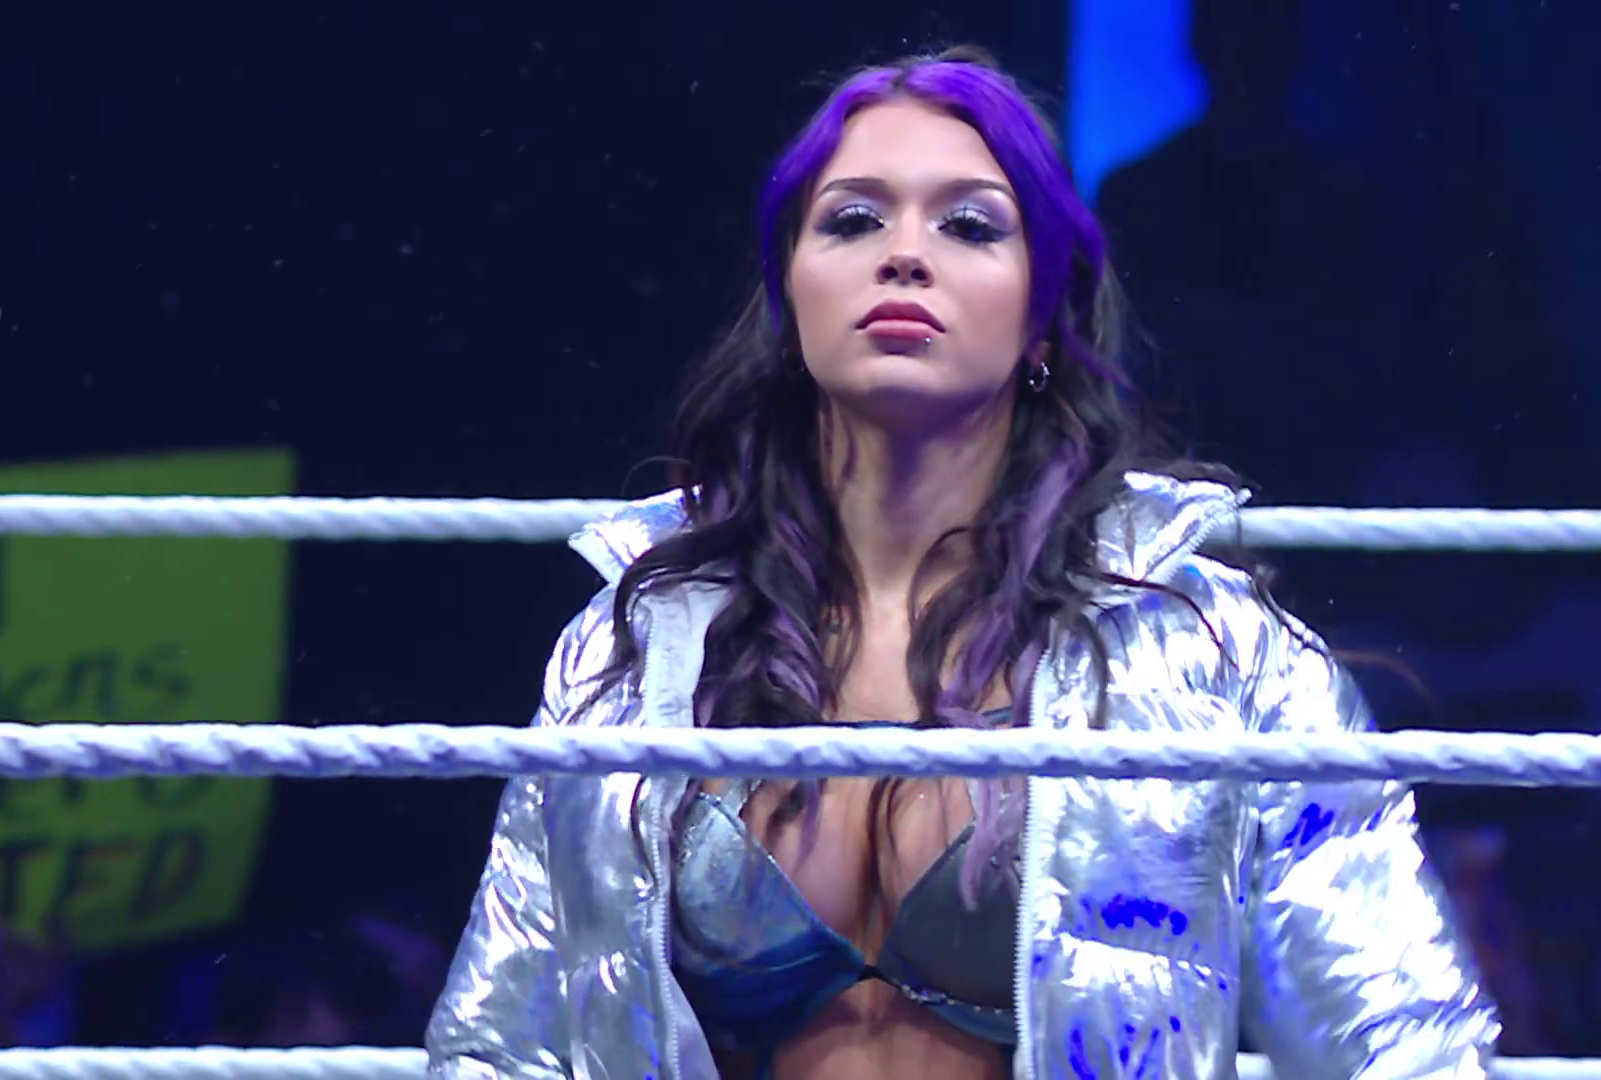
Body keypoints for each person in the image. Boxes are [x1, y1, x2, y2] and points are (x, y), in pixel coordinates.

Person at [426, 47, 1497, 1080]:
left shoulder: (1212, 653)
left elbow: (1403, 1043)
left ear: (1042, 321)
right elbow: (501, 1045)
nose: (904, 253)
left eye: (969, 224)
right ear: (790, 297)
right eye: (853, 219)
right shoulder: (631, 650)